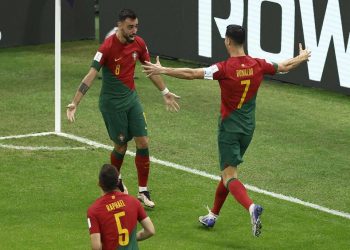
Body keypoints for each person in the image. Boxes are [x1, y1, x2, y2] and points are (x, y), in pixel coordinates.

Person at [142, 24, 311, 237]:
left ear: (228, 41)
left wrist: (163, 70)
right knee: (227, 170)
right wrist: (302, 57)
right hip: (248, 129)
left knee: (230, 175)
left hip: (229, 128)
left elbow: (192, 73)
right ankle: (213, 215)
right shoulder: (259, 64)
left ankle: (251, 207)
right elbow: (284, 66)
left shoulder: (224, 68)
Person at [67, 9, 180, 208]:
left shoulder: (139, 43)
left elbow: (149, 69)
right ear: (119, 25)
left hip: (131, 100)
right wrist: (76, 102)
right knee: (121, 146)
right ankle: (115, 183)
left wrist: (165, 91)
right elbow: (91, 74)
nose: (134, 30)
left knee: (143, 142)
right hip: (112, 106)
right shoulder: (107, 47)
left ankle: (143, 191)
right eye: (130, 27)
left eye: (136, 26)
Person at [87, 164, 155, 250]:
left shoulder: (94, 210)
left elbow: (96, 247)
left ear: (99, 183)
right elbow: (150, 230)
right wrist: (130, 239)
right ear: (118, 182)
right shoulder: (133, 201)